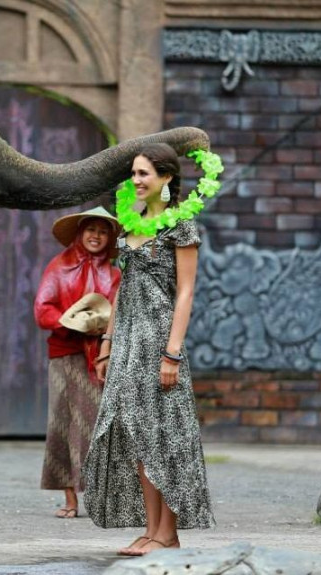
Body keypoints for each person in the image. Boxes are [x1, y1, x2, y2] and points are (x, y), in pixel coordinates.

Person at [83, 143, 215, 556]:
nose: (136, 181)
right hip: (126, 344)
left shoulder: (181, 227)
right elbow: (123, 288)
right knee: (137, 437)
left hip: (160, 341)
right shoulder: (129, 223)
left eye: (144, 174)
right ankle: (151, 528)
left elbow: (187, 292)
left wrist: (172, 351)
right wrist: (107, 342)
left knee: (163, 438)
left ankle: (168, 533)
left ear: (167, 178)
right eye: (134, 175)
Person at [34, 206, 121, 519]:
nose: (96, 236)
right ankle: (70, 499)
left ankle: (104, 498)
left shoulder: (115, 274)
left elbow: (119, 315)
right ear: (80, 233)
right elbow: (42, 310)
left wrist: (102, 334)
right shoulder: (59, 267)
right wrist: (70, 322)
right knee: (63, 423)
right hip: (64, 355)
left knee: (99, 426)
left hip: (101, 358)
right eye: (91, 230)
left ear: (109, 238)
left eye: (102, 231)